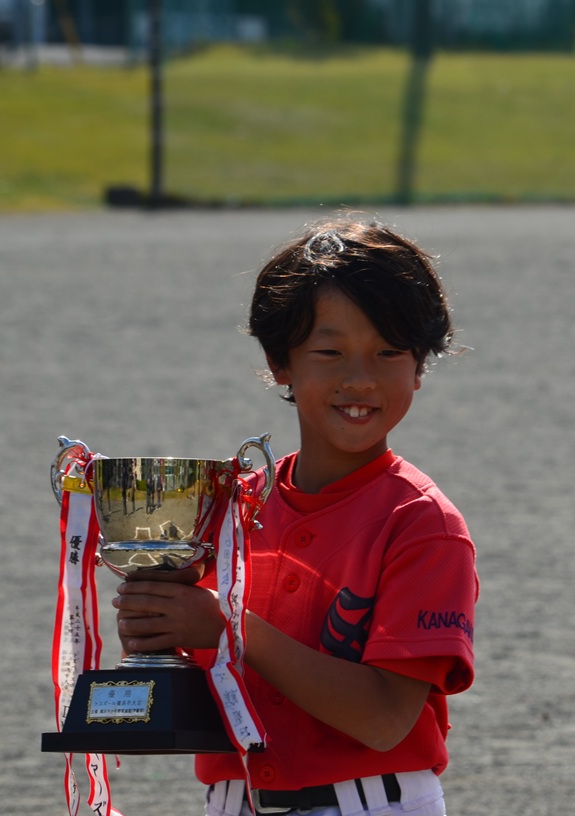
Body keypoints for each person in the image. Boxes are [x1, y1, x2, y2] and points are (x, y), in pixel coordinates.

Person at [114, 220, 479, 815]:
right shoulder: (228, 509)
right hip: (233, 800)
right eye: (329, 352)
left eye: (389, 352)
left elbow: (385, 720)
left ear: (419, 366)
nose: (360, 378)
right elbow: (208, 669)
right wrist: (159, 627)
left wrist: (229, 628)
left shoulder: (421, 523)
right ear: (279, 361)